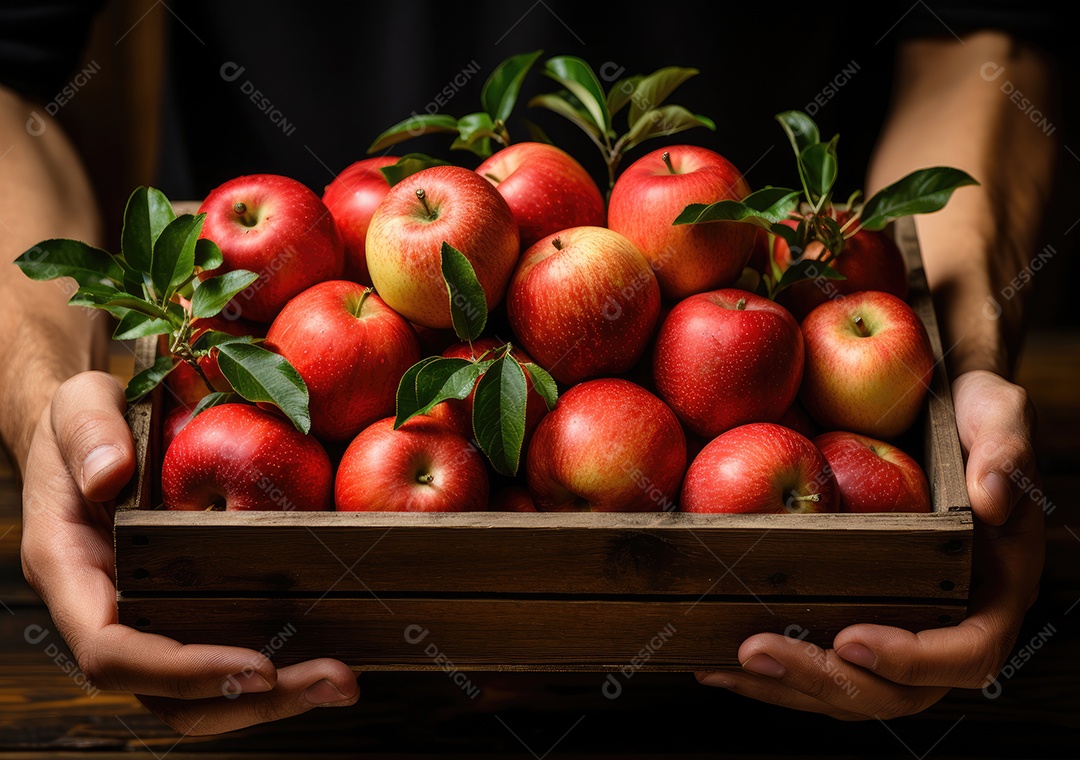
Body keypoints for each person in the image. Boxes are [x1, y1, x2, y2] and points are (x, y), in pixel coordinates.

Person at [1, 0, 1052, 735]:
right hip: (266, 344)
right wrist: (48, 390)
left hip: (787, 314)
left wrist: (967, 351)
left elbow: (978, 31)